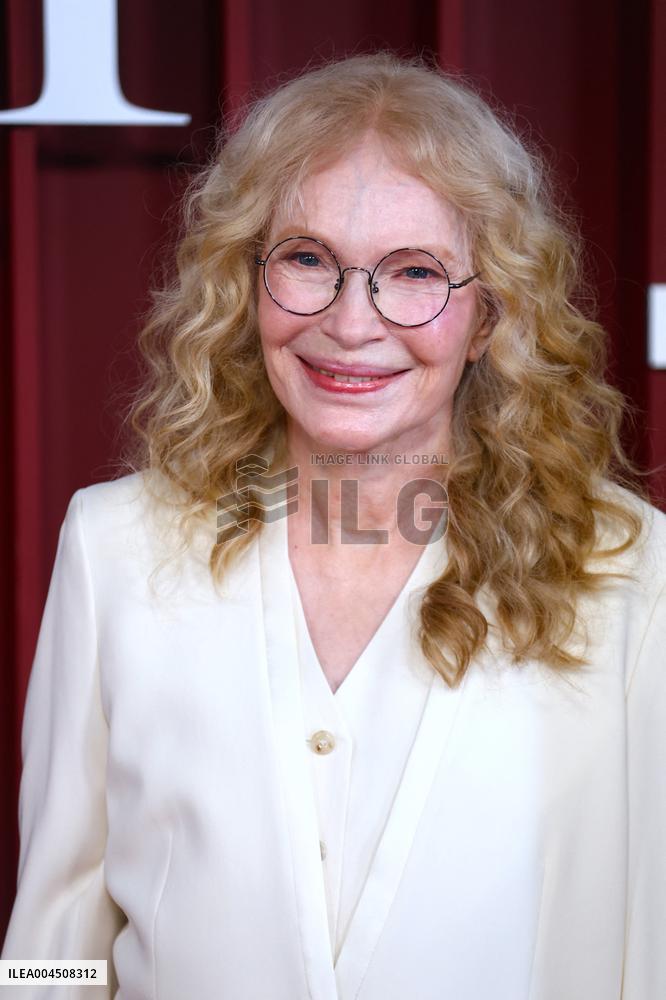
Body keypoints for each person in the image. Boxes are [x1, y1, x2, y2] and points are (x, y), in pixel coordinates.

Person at [2, 52, 665, 1000]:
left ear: (488, 315)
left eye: (414, 272)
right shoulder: (114, 550)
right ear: (247, 281)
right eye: (308, 260)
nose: (352, 323)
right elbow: (49, 947)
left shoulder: (632, 576)